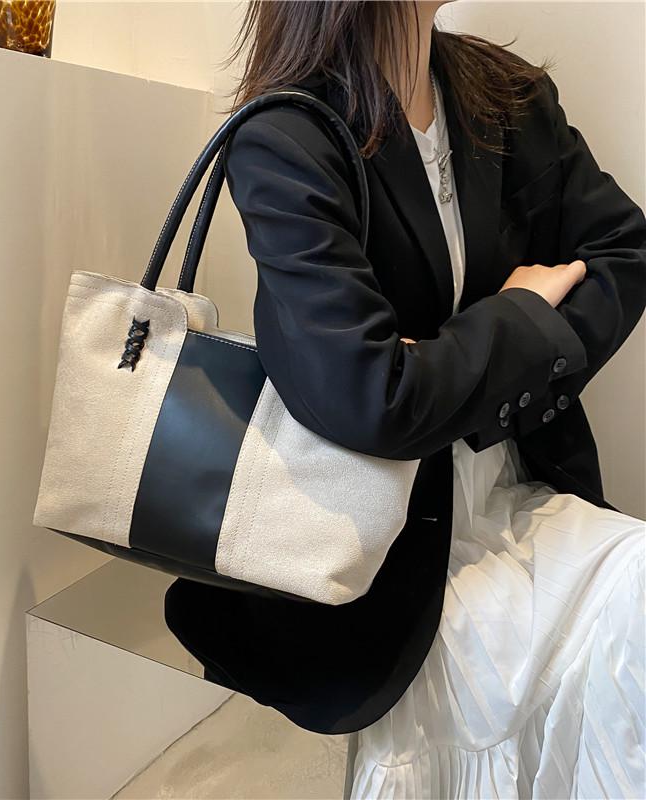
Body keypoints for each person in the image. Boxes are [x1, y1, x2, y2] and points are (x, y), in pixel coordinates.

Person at [163, 2, 646, 797]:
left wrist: (452, 365)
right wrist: (518, 316)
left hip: (521, 502)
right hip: (377, 563)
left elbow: (621, 252)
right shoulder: (289, 136)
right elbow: (371, 400)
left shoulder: (506, 95)